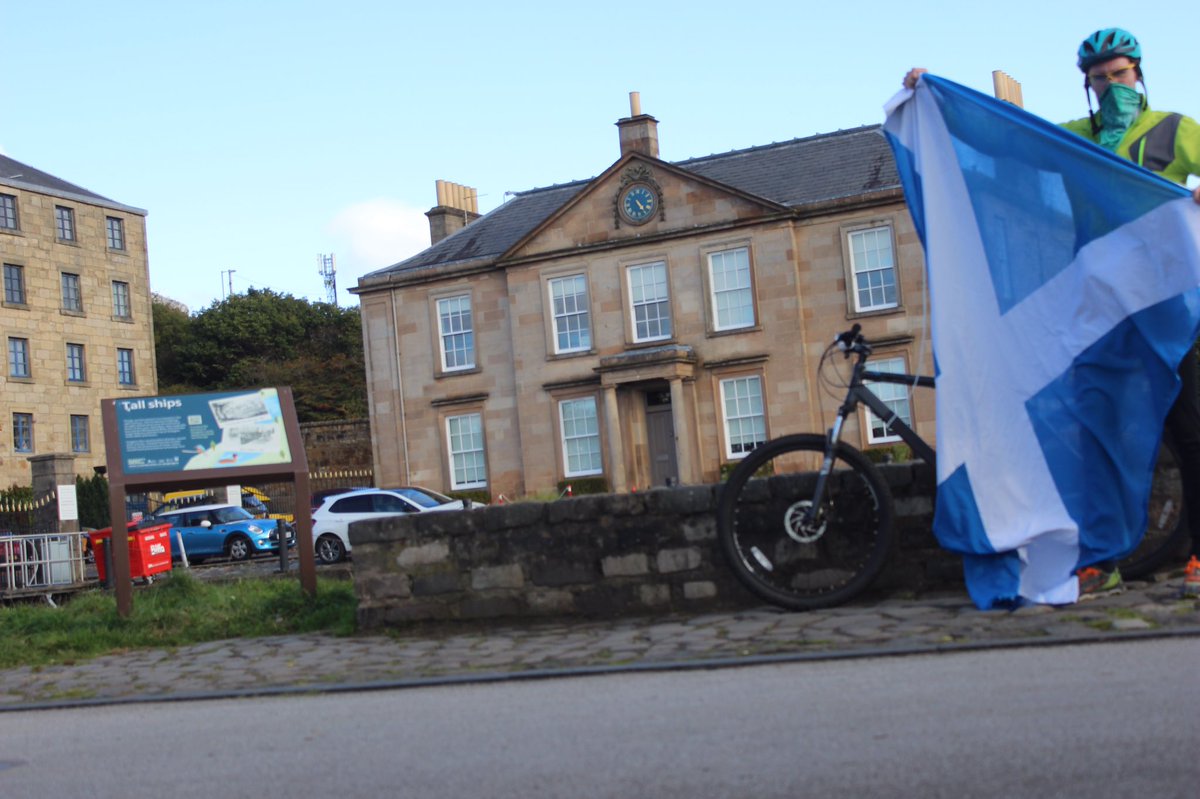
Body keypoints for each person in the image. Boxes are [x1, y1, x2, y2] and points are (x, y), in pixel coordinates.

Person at [902, 28, 1200, 599]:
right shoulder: (1075, 141)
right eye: (1099, 77)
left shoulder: (1173, 128)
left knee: (1190, 428)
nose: (1111, 85)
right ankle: (1102, 558)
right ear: (1086, 84)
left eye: (1120, 74)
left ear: (1139, 73)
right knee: (1098, 435)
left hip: (1167, 306)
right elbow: (1006, 139)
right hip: (1100, 310)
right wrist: (934, 95)